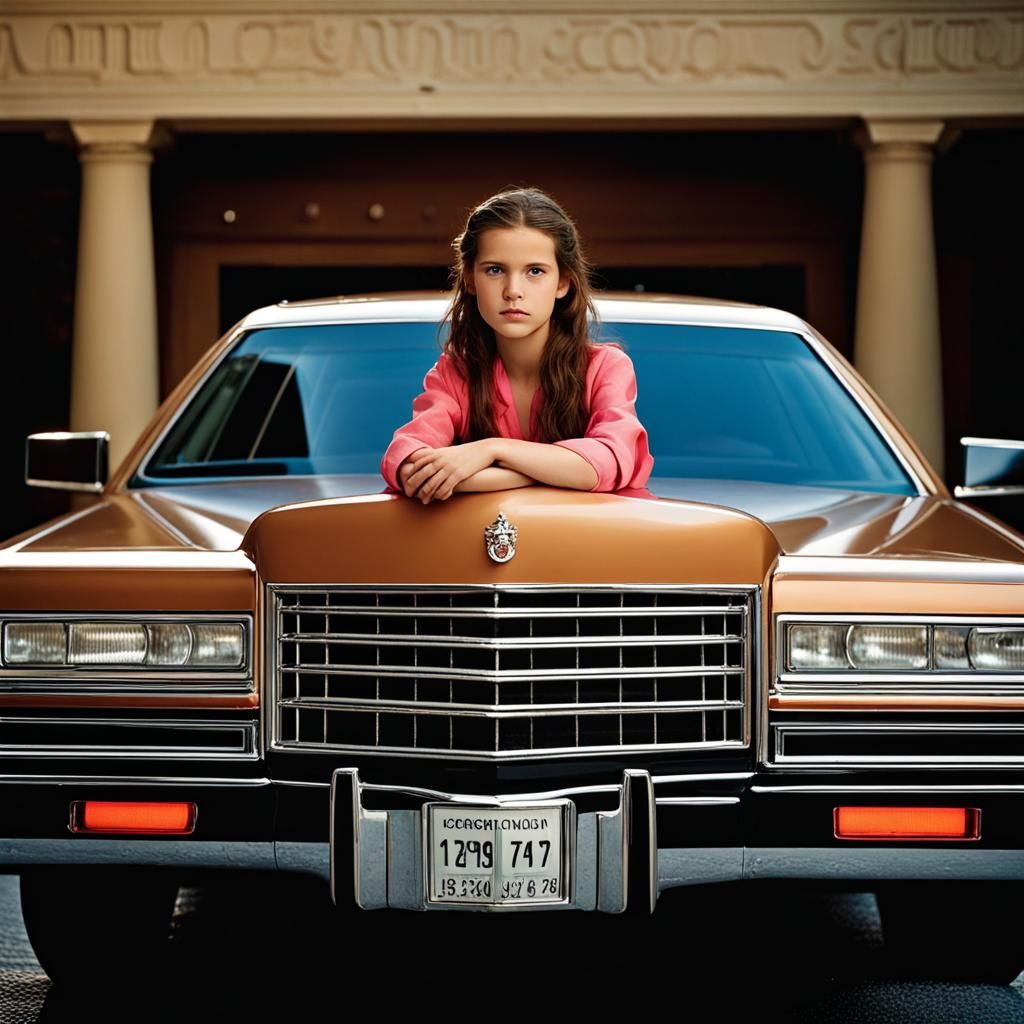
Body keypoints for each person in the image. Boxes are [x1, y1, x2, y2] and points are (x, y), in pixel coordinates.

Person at [380, 188, 654, 503]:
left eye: (535, 271)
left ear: (562, 282)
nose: (513, 291)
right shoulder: (456, 373)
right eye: (495, 270)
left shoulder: (604, 368)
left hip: (586, 546)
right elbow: (410, 465)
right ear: (470, 279)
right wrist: (549, 471)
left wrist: (491, 450)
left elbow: (607, 461)